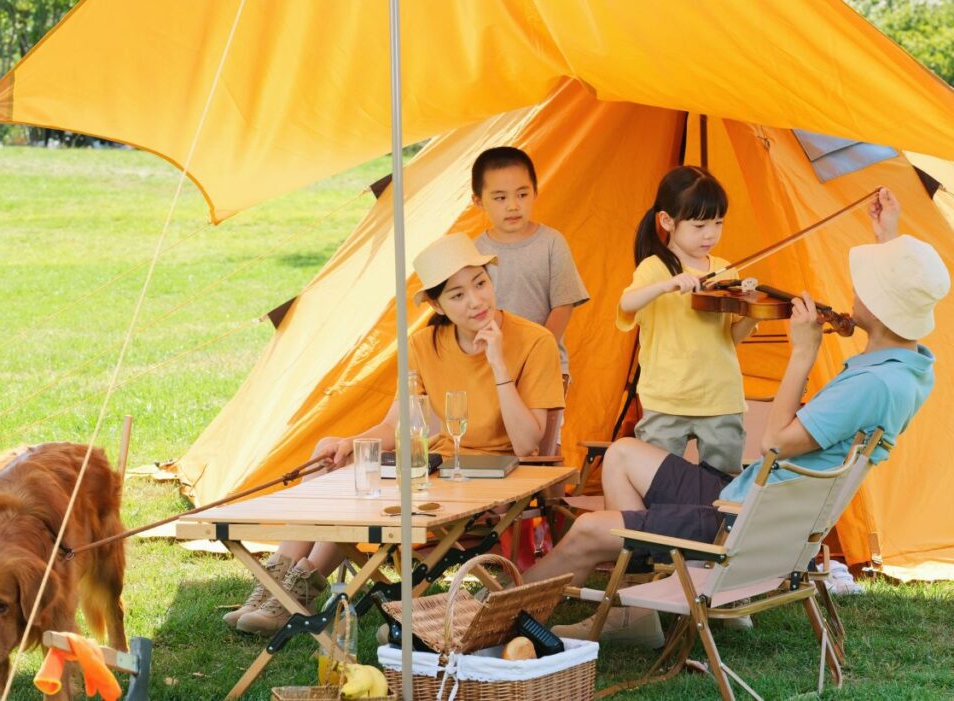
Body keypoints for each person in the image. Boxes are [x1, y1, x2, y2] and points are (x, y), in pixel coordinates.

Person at [524, 188, 949, 646]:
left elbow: (774, 442)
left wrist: (802, 354)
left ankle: (501, 619)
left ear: (881, 305)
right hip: (750, 505)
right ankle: (638, 611)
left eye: (865, 286)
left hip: (741, 526)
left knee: (589, 529)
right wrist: (888, 238)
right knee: (623, 453)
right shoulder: (908, 369)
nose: (853, 290)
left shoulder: (869, 386)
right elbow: (894, 308)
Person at [223, 233, 566, 634]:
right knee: (333, 455)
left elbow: (527, 444)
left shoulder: (534, 341)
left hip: (498, 478)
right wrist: (349, 444)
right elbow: (396, 426)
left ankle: (290, 592)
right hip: (437, 470)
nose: (476, 301)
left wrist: (498, 364)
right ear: (437, 305)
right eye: (457, 295)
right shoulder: (424, 343)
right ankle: (279, 586)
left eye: (480, 283)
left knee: (362, 489)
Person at [617, 166, 759, 475]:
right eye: (699, 225)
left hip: (721, 397)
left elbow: (730, 339)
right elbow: (626, 303)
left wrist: (752, 314)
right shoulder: (654, 268)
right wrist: (665, 286)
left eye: (718, 223)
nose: (710, 234)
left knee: (722, 482)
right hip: (667, 397)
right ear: (667, 221)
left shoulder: (726, 271)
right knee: (657, 480)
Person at [470, 147, 589, 385]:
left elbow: (563, 305)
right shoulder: (474, 252)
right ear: (478, 201)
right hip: (491, 366)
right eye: (500, 198)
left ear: (535, 192)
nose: (513, 206)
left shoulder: (552, 242)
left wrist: (536, 353)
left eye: (522, 195)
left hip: (545, 365)